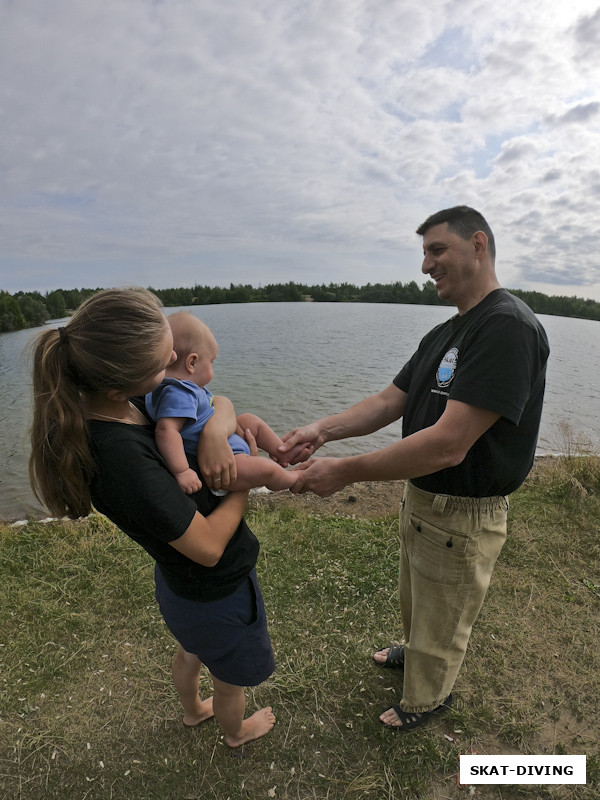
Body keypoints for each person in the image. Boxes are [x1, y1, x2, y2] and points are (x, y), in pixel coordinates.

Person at [280, 206, 550, 731]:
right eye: (423, 253)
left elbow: (450, 444)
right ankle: (415, 649)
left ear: (478, 245)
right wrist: (322, 431)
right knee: (419, 597)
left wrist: (347, 471)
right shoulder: (446, 333)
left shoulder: (507, 327)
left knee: (445, 611)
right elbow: (390, 401)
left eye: (436, 250)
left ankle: (426, 699)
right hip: (424, 501)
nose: (425, 265)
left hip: (464, 511)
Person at [29, 287, 276, 748]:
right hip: (214, 589)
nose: (175, 371)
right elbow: (206, 549)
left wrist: (216, 437)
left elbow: (213, 398)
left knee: (192, 650)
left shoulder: (131, 402)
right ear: (118, 385)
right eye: (164, 364)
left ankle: (191, 711)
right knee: (229, 677)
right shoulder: (122, 460)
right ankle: (236, 732)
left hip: (179, 588)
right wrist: (241, 484)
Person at [145, 312, 304, 495]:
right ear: (192, 363)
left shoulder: (179, 388)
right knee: (266, 469)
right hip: (226, 464)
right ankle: (296, 478)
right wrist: (182, 471)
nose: (212, 369)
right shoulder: (178, 393)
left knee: (248, 420)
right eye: (211, 362)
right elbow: (166, 430)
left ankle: (282, 451)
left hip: (226, 443)